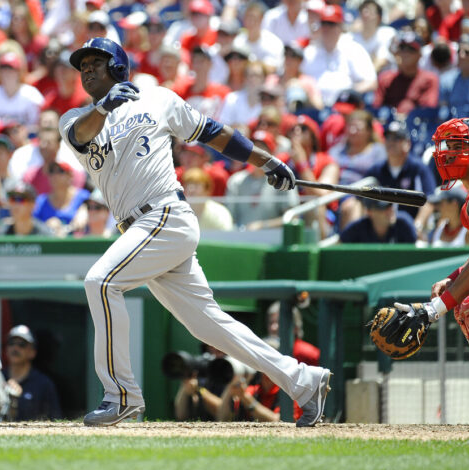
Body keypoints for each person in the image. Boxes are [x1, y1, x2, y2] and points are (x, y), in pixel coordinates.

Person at [59, 37, 331, 427]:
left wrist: (265, 160)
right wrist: (103, 106)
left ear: (118, 67)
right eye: (82, 66)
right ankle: (304, 381)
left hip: (164, 215)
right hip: (140, 230)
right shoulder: (74, 118)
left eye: (95, 63)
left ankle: (121, 395)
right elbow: (80, 136)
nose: (86, 71)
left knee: (100, 282)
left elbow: (212, 132)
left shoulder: (156, 98)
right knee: (210, 325)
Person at [393, 117, 469, 425]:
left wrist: (432, 310)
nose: (448, 153)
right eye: (448, 146)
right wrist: (454, 279)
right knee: (464, 306)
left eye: (459, 146)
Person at [365, 120, 436, 222]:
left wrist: (418, 225)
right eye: (388, 138)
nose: (391, 142)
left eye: (396, 138)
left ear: (407, 143)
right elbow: (363, 200)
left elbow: (429, 199)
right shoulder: (376, 170)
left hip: (411, 225)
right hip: (382, 227)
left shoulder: (418, 168)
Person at [2, 325, 62, 421]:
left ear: (32, 352)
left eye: (22, 344)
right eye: (11, 343)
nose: (15, 348)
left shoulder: (44, 384)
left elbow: (55, 419)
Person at [373, 30, 439, 117]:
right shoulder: (385, 78)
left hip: (417, 123)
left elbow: (428, 110)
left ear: (420, 54)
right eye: (402, 48)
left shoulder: (429, 79)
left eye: (411, 49)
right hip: (390, 123)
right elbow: (377, 108)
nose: (405, 53)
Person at [339, 197, 417, 243]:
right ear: (369, 212)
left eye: (391, 205)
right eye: (383, 207)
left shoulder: (404, 223)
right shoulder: (356, 229)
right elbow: (341, 248)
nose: (390, 210)